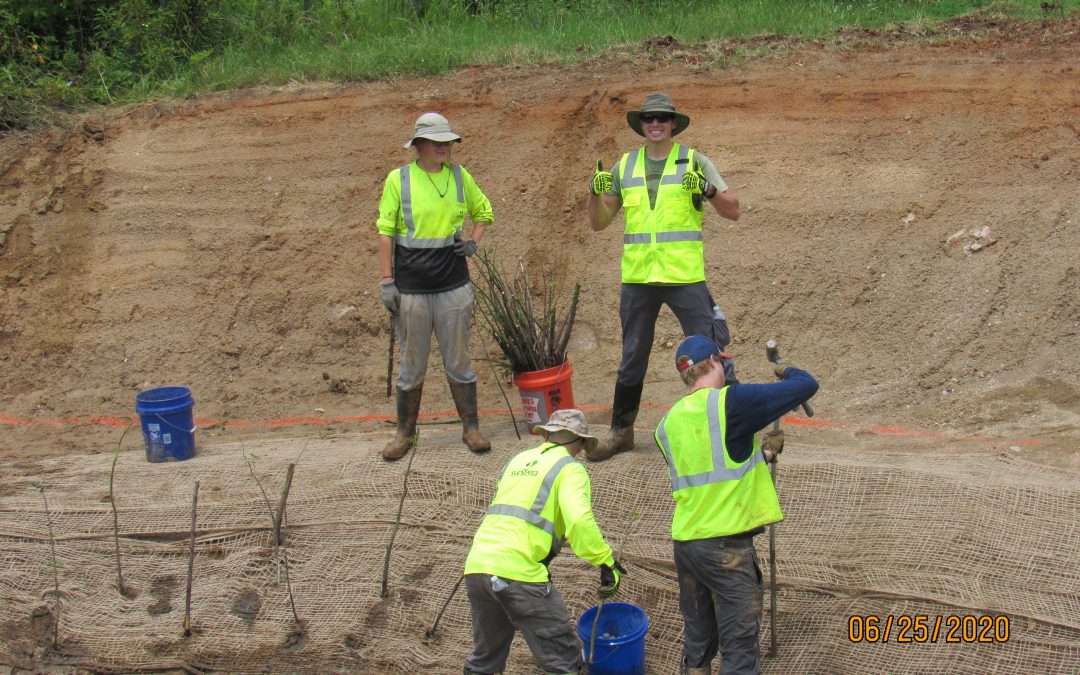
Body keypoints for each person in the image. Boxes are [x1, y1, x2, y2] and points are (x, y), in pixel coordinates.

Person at [586, 91, 742, 462]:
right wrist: (594, 194)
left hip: (684, 276)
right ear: (642, 125)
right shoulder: (624, 166)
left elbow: (733, 210)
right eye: (648, 119)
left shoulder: (695, 161)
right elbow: (598, 222)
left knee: (708, 352)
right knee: (632, 356)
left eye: (661, 118)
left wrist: (706, 190)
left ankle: (729, 426)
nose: (654, 124)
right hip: (639, 278)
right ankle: (621, 432)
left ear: (673, 123)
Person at [654, 335, 817, 674]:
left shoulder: (667, 425)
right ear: (715, 362)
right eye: (723, 362)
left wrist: (764, 454)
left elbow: (713, 467)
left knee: (698, 645)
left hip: (687, 545)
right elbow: (806, 385)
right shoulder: (731, 403)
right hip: (725, 549)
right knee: (739, 649)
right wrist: (784, 369)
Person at [462, 408, 626, 675]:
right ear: (581, 443)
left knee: (485, 660)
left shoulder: (517, 460)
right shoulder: (570, 468)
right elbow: (579, 521)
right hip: (520, 574)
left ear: (547, 434)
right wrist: (605, 561)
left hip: (478, 567)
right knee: (564, 662)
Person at [377, 112, 493, 461]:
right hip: (411, 288)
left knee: (459, 361)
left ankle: (471, 429)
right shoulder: (399, 180)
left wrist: (472, 241)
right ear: (419, 146)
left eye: (447, 141)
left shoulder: (460, 176)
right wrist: (387, 281)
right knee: (412, 365)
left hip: (453, 286)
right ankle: (404, 434)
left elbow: (484, 212)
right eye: (436, 141)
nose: (444, 147)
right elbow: (385, 232)